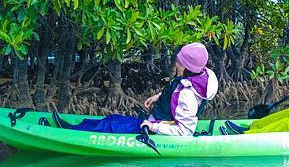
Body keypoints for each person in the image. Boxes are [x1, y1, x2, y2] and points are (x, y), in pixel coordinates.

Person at [51, 42, 218, 136]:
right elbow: (177, 91)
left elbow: (185, 131)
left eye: (180, 62)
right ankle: (74, 127)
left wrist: (152, 127)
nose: (177, 64)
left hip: (157, 129)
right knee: (112, 118)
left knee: (111, 126)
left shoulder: (188, 96)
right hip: (157, 120)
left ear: (188, 67)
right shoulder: (195, 75)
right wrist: (159, 97)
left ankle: (69, 133)